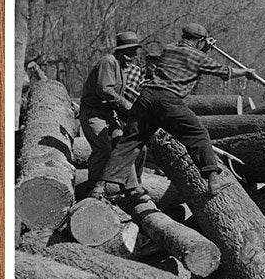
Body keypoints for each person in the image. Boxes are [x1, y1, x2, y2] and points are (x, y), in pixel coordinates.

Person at [94, 22, 254, 199]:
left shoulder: (169, 49)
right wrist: (246, 72)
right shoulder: (198, 57)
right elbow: (225, 71)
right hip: (168, 102)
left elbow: (188, 60)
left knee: (129, 142)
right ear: (199, 40)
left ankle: (100, 187)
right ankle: (213, 180)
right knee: (198, 134)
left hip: (146, 98)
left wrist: (203, 48)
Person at [78, 31, 146, 189]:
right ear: (123, 50)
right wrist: (126, 105)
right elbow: (105, 90)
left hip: (109, 113)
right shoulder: (109, 62)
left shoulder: (121, 66)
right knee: (103, 148)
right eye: (131, 51)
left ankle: (132, 187)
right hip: (93, 113)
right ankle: (94, 186)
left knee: (129, 145)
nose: (133, 56)